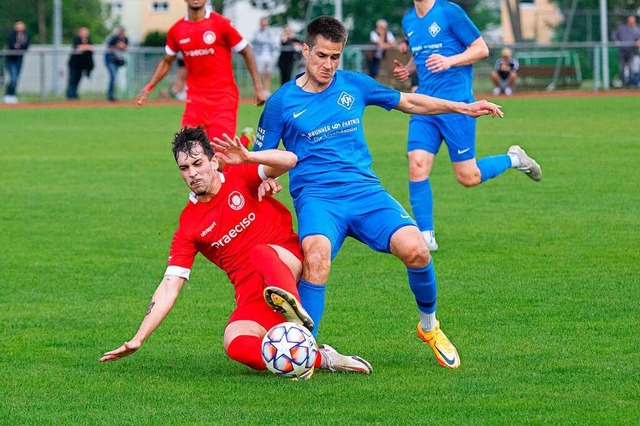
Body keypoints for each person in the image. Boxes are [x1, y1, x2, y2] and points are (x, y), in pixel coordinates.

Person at [254, 16, 505, 369]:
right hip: (318, 198)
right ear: (305, 51)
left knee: (417, 250)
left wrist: (462, 107)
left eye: (335, 57)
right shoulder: (281, 102)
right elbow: (259, 158)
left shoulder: (354, 84)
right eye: (322, 56)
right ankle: (304, 353)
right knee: (316, 257)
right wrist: (263, 177)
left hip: (366, 193)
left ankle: (429, 327)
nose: (328, 65)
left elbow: (411, 102)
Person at [100, 126, 372, 377]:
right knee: (235, 342)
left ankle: (294, 311)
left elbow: (289, 160)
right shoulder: (189, 226)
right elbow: (170, 284)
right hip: (254, 295)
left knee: (260, 253)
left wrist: (249, 158)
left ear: (213, 161)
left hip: (285, 262)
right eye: (184, 168)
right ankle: (320, 358)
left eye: (197, 163)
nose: (192, 173)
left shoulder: (240, 175)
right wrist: (139, 337)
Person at [393, 0, 542, 251]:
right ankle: (426, 236)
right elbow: (421, 57)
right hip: (426, 105)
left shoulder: (448, 11)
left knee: (468, 177)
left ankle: (514, 158)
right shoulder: (409, 19)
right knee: (416, 163)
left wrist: (450, 61)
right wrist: (408, 70)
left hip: (458, 106)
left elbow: (481, 48)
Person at [134, 0, 266, 144]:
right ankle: (242, 143)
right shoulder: (177, 30)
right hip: (195, 101)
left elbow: (246, 51)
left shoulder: (221, 23)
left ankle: (245, 140)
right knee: (188, 150)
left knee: (218, 157)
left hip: (223, 98)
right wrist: (147, 88)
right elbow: (167, 61)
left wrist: (258, 88)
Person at [4, 20, 30, 104]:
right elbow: (11, 45)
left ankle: (13, 95)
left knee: (17, 78)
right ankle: (8, 94)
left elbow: (25, 46)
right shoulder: (12, 35)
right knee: (13, 78)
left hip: (19, 60)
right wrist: (16, 46)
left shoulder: (26, 35)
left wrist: (19, 46)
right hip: (11, 60)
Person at [611, 15, 640, 88]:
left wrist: (638, 41)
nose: (631, 23)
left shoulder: (637, 30)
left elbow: (638, 39)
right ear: (628, 21)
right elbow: (614, 35)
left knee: (631, 68)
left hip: (631, 51)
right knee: (622, 68)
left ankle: (630, 84)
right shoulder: (622, 28)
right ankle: (623, 84)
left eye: (633, 21)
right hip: (622, 51)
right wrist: (616, 41)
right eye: (630, 21)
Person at [66, 27, 94, 100]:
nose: (85, 34)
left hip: (82, 64)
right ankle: (70, 94)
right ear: (80, 33)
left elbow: (91, 47)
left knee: (78, 79)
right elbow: (77, 47)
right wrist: (85, 47)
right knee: (72, 79)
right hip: (74, 63)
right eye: (84, 32)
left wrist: (85, 47)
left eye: (86, 33)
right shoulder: (76, 39)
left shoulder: (89, 39)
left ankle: (75, 93)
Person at [252, 17, 277, 97]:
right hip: (259, 57)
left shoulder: (269, 32)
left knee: (268, 74)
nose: (264, 25)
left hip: (269, 57)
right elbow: (257, 41)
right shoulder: (257, 32)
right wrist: (266, 41)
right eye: (263, 23)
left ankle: (266, 90)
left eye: (266, 24)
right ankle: (260, 90)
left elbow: (273, 42)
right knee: (259, 74)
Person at [104, 27, 129, 102]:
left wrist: (122, 46)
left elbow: (126, 48)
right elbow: (108, 49)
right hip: (110, 61)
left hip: (118, 61)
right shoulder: (113, 39)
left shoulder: (125, 39)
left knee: (114, 77)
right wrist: (117, 46)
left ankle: (112, 95)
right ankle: (111, 95)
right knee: (113, 76)